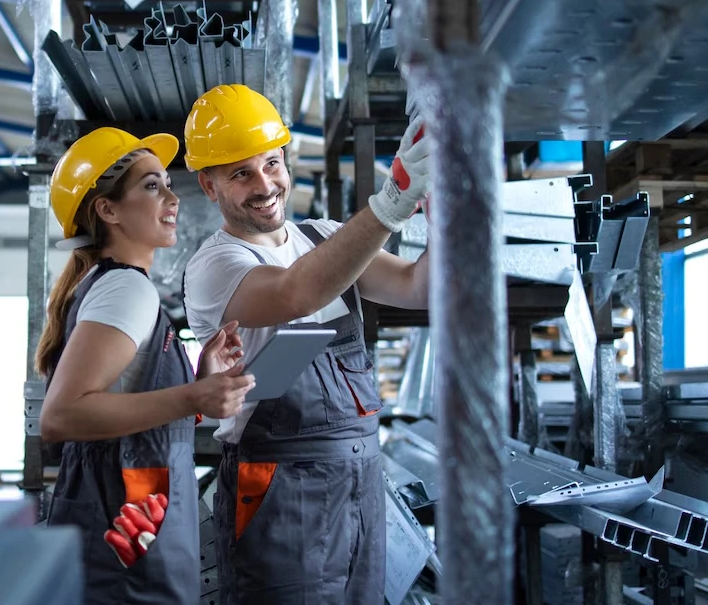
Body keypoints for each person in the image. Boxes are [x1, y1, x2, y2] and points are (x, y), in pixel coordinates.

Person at [181, 84, 433, 603]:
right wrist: (390, 202)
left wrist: (446, 206)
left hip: (360, 476)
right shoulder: (215, 266)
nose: (263, 183)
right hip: (277, 487)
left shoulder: (323, 237)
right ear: (209, 186)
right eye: (240, 173)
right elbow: (297, 293)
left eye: (271, 164)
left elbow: (417, 286)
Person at [35, 126, 257, 604]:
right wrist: (193, 396)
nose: (172, 198)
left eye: (167, 183)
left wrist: (199, 384)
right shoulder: (126, 289)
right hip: (127, 521)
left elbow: (121, 403)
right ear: (108, 210)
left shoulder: (110, 284)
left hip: (131, 516)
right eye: (151, 186)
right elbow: (61, 416)